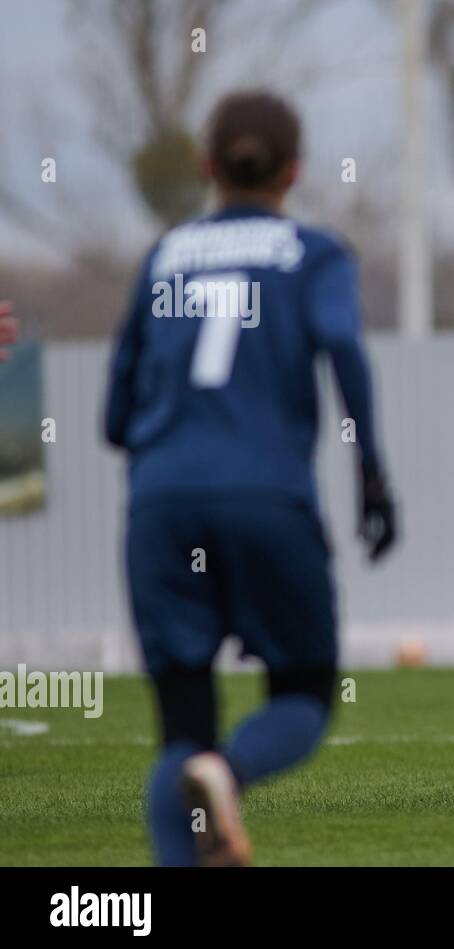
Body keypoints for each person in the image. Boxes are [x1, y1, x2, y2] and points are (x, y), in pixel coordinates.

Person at [104, 90, 397, 865]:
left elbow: (111, 415)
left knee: (182, 724)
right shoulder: (314, 253)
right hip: (267, 499)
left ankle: (199, 781)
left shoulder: (163, 256)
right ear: (295, 171)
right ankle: (224, 773)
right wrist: (370, 470)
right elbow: (343, 345)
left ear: (207, 166)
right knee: (301, 696)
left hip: (161, 506)